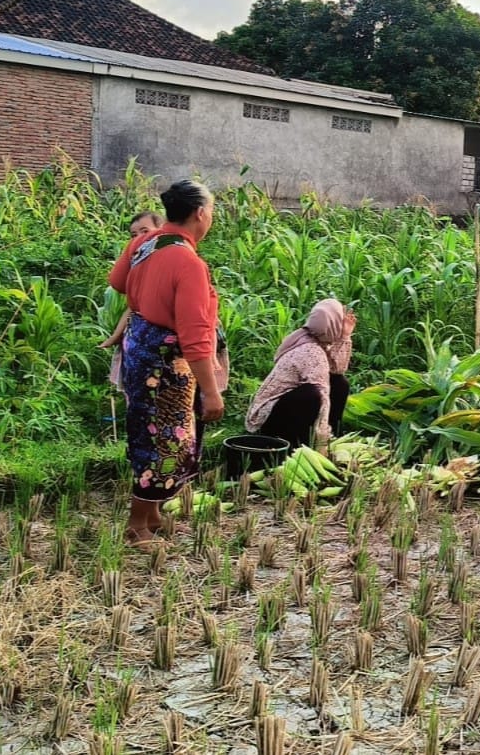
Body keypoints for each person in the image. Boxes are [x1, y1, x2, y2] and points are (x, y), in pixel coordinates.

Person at [108, 180, 224, 550]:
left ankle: (153, 515)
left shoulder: (146, 243)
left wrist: (148, 293)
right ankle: (136, 525)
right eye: (212, 211)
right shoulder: (188, 262)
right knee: (166, 442)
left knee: (145, 431)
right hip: (164, 364)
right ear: (200, 214)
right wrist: (211, 392)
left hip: (139, 349)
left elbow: (117, 281)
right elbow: (194, 335)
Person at [245, 299, 356, 455]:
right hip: (267, 417)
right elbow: (323, 398)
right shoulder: (312, 352)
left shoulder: (308, 337)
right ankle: (296, 446)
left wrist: (345, 335)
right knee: (312, 395)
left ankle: (328, 434)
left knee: (339, 383)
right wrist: (322, 444)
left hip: (285, 406)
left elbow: (337, 369)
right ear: (332, 324)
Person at [101, 211, 164, 394]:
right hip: (141, 346)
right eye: (134, 235)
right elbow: (134, 306)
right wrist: (115, 337)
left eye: (145, 231)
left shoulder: (172, 258)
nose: (139, 239)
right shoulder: (140, 264)